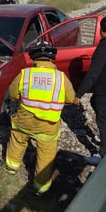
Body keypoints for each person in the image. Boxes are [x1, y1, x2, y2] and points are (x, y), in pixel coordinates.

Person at [4, 42, 75, 195]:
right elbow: (70, 98)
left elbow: (13, 94)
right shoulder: (61, 78)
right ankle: (40, 187)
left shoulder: (25, 74)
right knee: (46, 153)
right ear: (51, 59)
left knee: (17, 140)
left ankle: (11, 167)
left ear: (34, 57)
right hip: (47, 126)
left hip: (24, 121)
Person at [73, 15, 106, 166]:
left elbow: (92, 74)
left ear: (100, 30)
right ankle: (105, 138)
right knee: (94, 101)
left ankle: (103, 154)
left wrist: (78, 94)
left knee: (102, 119)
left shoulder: (104, 47)